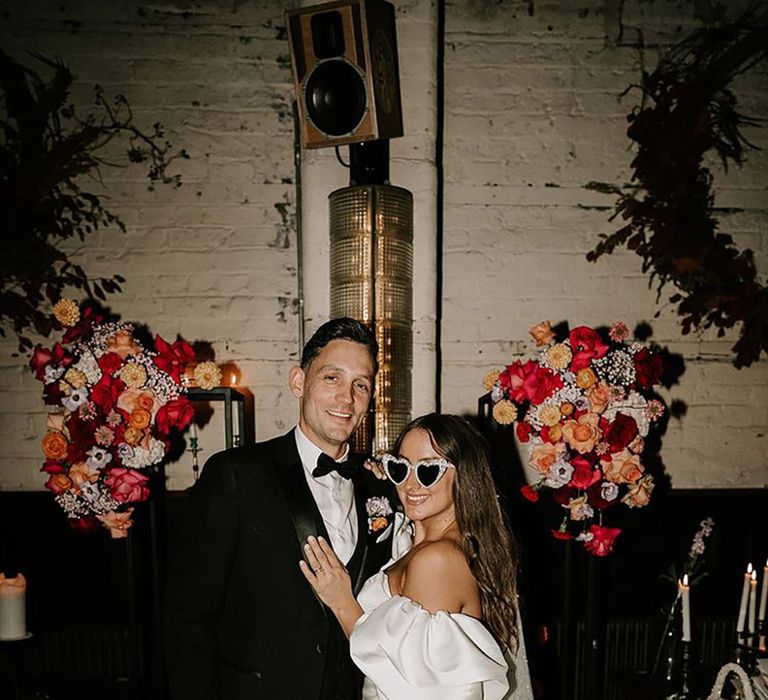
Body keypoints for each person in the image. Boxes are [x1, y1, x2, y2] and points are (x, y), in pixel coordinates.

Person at [164, 318, 396, 700]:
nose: (347, 398)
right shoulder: (236, 476)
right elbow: (187, 617)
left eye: (361, 385)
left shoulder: (379, 485)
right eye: (332, 378)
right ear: (298, 382)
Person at [301, 413, 533, 700]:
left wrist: (342, 603)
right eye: (400, 468)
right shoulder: (417, 543)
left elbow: (414, 688)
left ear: (463, 475)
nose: (411, 485)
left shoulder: (436, 560)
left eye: (428, 471)